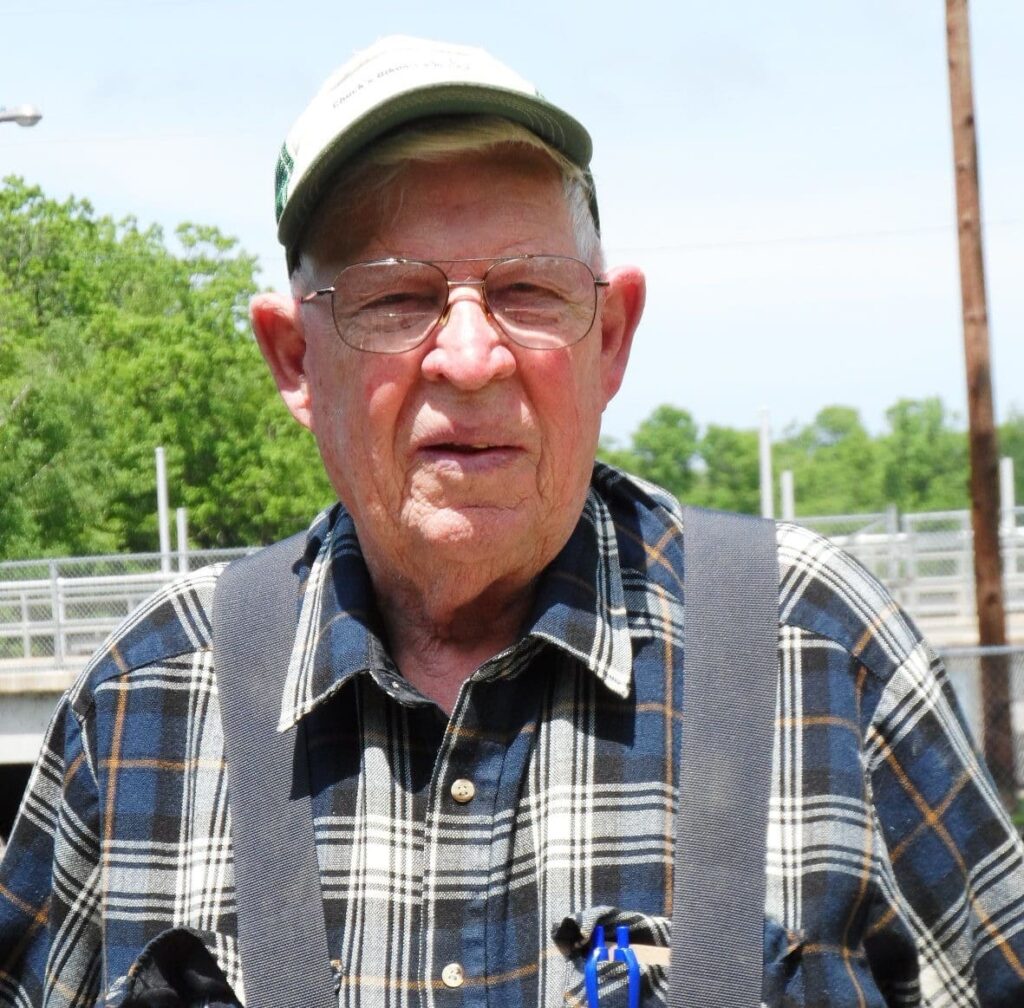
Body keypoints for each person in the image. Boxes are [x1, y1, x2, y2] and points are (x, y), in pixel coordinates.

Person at [1, 34, 1022, 1008]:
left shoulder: (819, 650)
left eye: (527, 292)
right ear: (294, 359)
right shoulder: (145, 706)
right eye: (394, 298)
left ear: (609, 338)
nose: (470, 357)